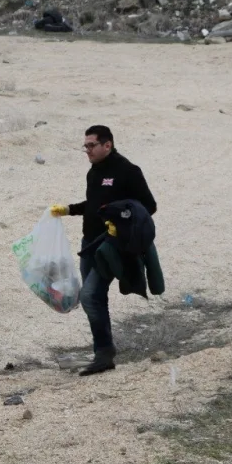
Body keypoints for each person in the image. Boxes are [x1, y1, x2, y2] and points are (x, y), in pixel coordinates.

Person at [49, 125, 157, 376]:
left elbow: (148, 207)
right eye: (85, 145)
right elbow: (96, 204)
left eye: (91, 145)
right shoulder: (94, 172)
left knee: (89, 296)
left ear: (107, 145)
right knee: (94, 299)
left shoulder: (128, 171)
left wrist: (121, 222)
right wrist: (69, 209)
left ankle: (104, 354)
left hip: (111, 246)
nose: (86, 150)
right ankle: (104, 350)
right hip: (89, 244)